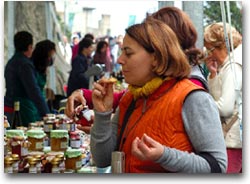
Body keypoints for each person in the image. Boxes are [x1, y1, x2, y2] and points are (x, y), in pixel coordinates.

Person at [89, 18, 227, 173]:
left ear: (156, 58)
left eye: (128, 53)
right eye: (121, 52)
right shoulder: (131, 97)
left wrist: (164, 155)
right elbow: (102, 159)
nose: (120, 60)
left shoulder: (192, 98)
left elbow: (217, 166)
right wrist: (102, 114)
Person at [65, 6, 209, 131]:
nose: (121, 60)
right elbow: (127, 99)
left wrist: (163, 155)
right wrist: (84, 95)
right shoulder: (160, 80)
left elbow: (213, 160)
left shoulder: (191, 90)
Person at [204, 22, 242, 173]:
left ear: (222, 47)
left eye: (210, 49)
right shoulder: (231, 64)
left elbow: (225, 108)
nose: (209, 54)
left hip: (233, 139)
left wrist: (203, 105)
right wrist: (213, 75)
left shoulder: (234, 67)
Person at [4, 31, 50, 127]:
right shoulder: (25, 65)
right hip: (23, 109)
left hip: (8, 105)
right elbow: (33, 90)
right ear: (29, 47)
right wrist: (47, 113)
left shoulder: (11, 62)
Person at [32, 39, 56, 112]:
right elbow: (34, 91)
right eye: (49, 57)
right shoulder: (31, 69)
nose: (50, 59)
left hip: (40, 102)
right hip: (33, 105)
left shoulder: (42, 69)